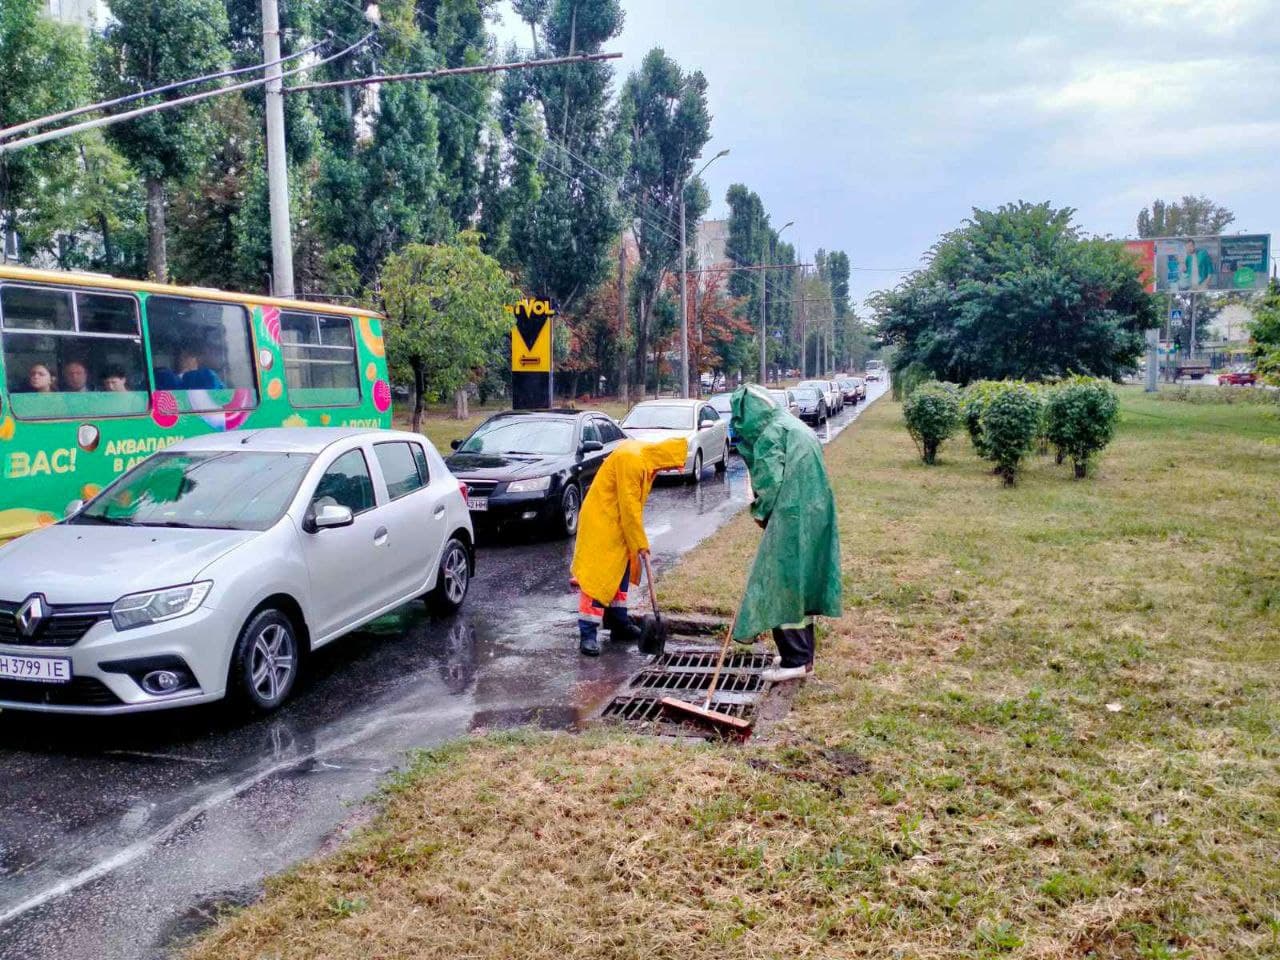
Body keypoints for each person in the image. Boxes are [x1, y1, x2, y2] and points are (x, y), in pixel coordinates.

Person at [729, 383, 842, 682]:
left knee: (782, 586)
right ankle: (803, 656)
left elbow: (769, 483)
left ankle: (795, 660)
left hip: (791, 516)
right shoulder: (790, 424)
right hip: (813, 512)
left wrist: (761, 514)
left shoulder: (770, 435)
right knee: (800, 583)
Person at [569, 436, 688, 656]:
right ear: (665, 457)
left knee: (620, 572)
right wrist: (640, 543)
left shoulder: (646, 461)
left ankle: (619, 624)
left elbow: (631, 508)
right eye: (671, 466)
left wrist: (635, 541)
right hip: (602, 522)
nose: (670, 470)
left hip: (618, 522)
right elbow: (629, 507)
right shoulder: (633, 460)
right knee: (599, 578)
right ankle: (588, 634)